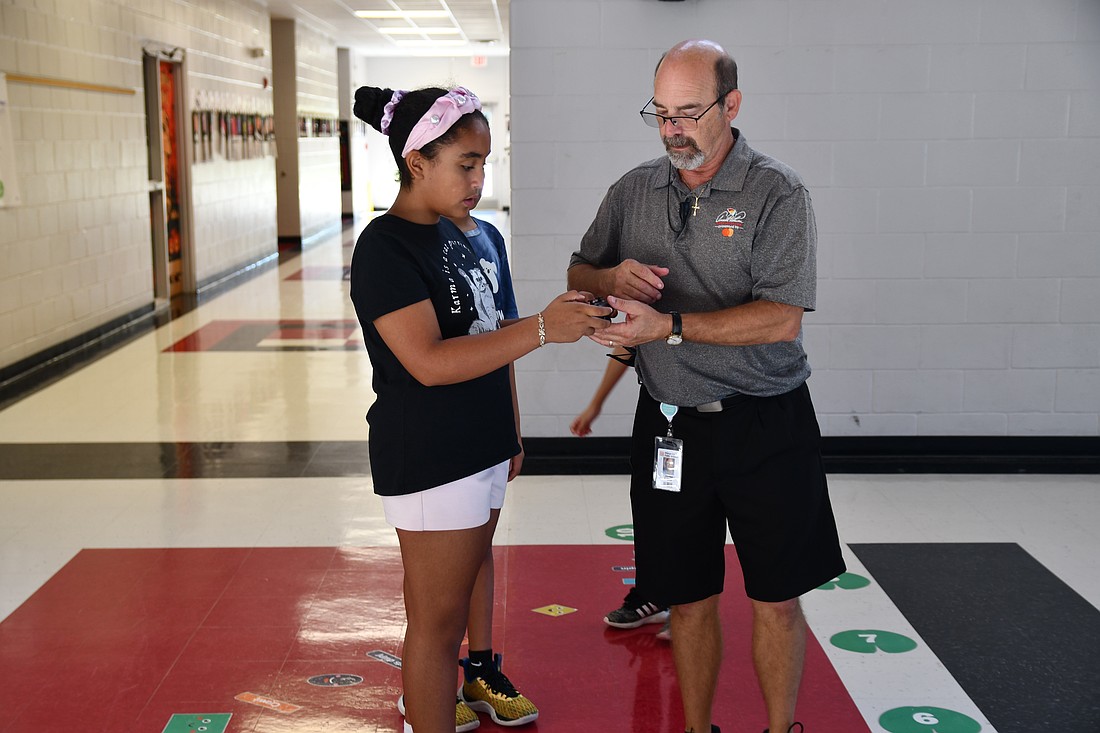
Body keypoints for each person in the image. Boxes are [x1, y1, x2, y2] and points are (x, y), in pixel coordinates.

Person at [567, 40, 845, 733]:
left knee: (776, 597)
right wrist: (610, 281)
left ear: (733, 105)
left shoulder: (778, 194)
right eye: (659, 113)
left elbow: (781, 319)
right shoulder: (633, 190)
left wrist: (669, 326)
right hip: (669, 429)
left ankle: (781, 729)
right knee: (686, 597)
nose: (671, 130)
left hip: (765, 424)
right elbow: (580, 271)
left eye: (688, 113)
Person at [350, 84, 611, 733]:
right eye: (466, 162)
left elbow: (493, 332)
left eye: (485, 162)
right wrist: (544, 329)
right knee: (435, 630)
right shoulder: (385, 247)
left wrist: (512, 429)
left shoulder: (469, 235)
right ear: (418, 162)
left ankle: (481, 677)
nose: (479, 178)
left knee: (472, 573)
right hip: (432, 454)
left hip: (481, 443)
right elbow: (431, 361)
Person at [571, 350, 672, 639]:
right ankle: (651, 594)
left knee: (689, 508)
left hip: (706, 409)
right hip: (657, 406)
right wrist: (595, 404)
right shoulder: (651, 303)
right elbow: (628, 347)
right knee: (649, 502)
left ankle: (689, 605)